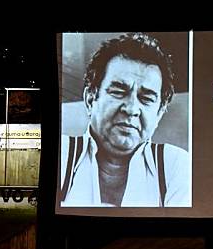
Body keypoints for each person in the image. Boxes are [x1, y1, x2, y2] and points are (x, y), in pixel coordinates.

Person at [60, 32, 191, 207]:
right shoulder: (60, 155)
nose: (131, 109)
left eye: (146, 98)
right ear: (91, 99)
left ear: (159, 113)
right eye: (118, 92)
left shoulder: (176, 165)